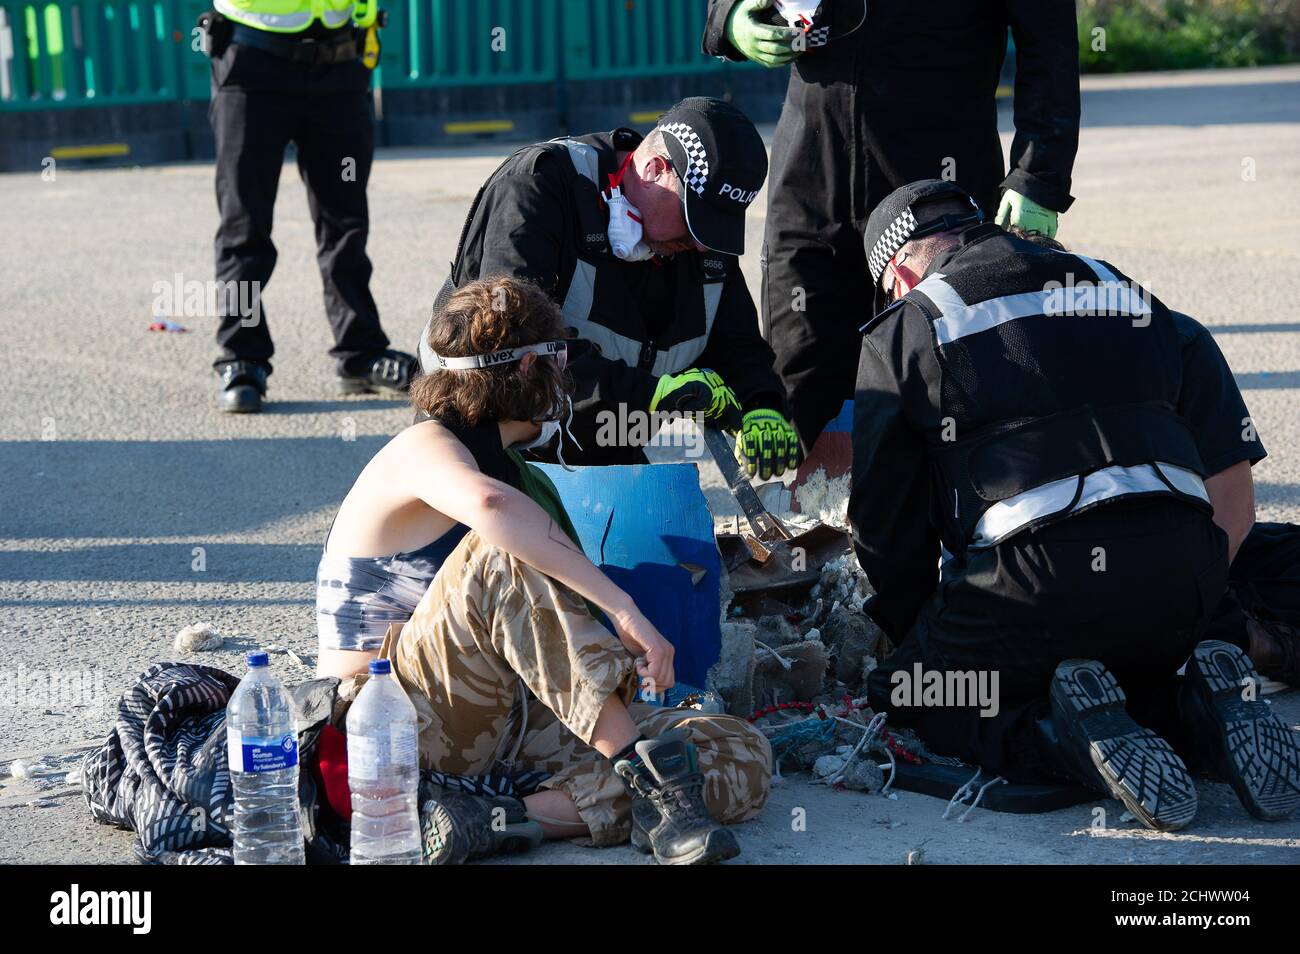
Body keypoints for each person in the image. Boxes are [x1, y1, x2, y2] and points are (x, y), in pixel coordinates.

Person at [849, 180, 1300, 831]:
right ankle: (1198, 713)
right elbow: (1213, 464)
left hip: (1036, 583)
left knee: (910, 690)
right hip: (1186, 575)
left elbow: (884, 527)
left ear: (899, 268)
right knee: (1117, 656)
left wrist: (915, 633)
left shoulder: (910, 323)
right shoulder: (1118, 283)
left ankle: (1060, 739)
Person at [316, 276, 771, 864]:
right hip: (393, 720)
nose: (569, 374)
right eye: (563, 356)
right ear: (534, 366)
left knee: (737, 749)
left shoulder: (509, 467)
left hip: (501, 722)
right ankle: (652, 786)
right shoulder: (424, 447)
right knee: (499, 552)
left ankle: (492, 819)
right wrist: (622, 607)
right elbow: (493, 513)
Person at [702, 0, 1081, 452]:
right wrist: (731, 15)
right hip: (811, 172)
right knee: (800, 373)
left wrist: (1038, 175)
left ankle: (951, 513)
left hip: (938, 179)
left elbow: (1051, 43)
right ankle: (807, 509)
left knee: (950, 372)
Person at [414, 97, 799, 479]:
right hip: (487, 441)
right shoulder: (537, 187)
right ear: (654, 168)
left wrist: (761, 404)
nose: (701, 244)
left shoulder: (697, 237)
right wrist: (650, 394)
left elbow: (735, 343)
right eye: (697, 219)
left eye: (716, 226)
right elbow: (508, 346)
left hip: (600, 439)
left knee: (656, 531)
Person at [201, 0, 416, 413]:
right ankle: (242, 358)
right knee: (244, 226)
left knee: (346, 225)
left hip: (340, 63)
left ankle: (360, 354)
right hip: (251, 59)